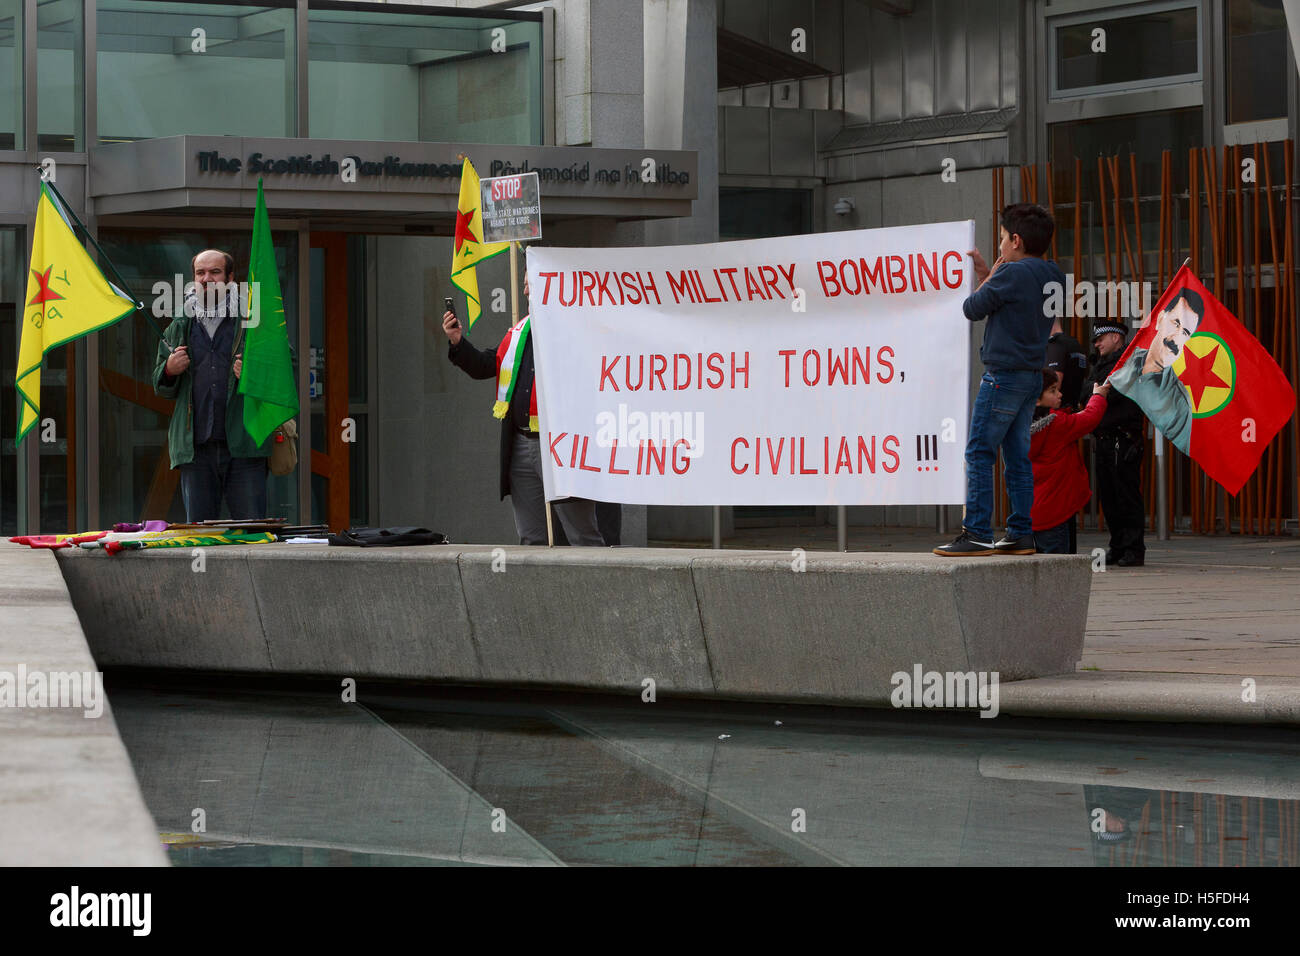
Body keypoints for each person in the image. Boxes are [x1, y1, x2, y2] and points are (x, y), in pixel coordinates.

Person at [934, 203, 1065, 557]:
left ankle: (976, 532)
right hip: (1030, 377)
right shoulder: (1053, 275)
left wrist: (989, 277)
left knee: (979, 451)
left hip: (1003, 375)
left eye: (1004, 238)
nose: (1001, 246)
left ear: (1017, 240)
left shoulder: (1011, 273)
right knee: (1017, 456)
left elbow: (971, 308)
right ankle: (1020, 532)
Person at [441, 276, 605, 546]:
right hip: (520, 446)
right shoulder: (519, 333)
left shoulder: (573, 328)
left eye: (531, 281)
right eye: (525, 282)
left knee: (583, 535)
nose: (525, 288)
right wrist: (458, 341)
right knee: (531, 538)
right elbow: (485, 366)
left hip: (560, 448)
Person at [153, 249, 272, 522]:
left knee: (251, 532)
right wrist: (170, 370)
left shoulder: (254, 321)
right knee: (200, 535)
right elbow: (159, 384)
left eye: (215, 272)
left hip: (245, 447)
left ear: (230, 278)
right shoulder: (180, 325)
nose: (207, 279)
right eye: (200, 273)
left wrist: (254, 375)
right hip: (195, 450)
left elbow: (285, 369)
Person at [1106, 287, 1201, 455]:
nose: (1176, 337)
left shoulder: (1180, 401)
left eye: (1185, 332)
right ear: (1159, 319)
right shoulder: (1125, 363)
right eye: (1176, 323)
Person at [1084, 321, 1146, 567]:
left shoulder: (1130, 363)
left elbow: (1116, 393)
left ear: (1117, 338)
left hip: (1124, 439)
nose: (1097, 344)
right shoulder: (1100, 365)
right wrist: (1099, 390)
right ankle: (1118, 545)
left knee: (1126, 496)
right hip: (1104, 439)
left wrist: (1099, 391)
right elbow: (1086, 391)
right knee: (1109, 496)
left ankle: (1133, 548)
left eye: (1101, 339)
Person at [1030, 370, 1110, 554]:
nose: (1060, 394)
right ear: (1036, 399)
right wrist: (1098, 396)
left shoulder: (1019, 427)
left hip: (1033, 512)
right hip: (1055, 512)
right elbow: (1089, 418)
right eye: (1052, 390)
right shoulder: (1055, 424)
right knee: (1057, 571)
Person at [1045, 316, 1089, 411]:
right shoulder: (1075, 344)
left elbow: (1054, 383)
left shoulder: (1055, 344)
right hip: (1072, 409)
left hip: (1056, 413)